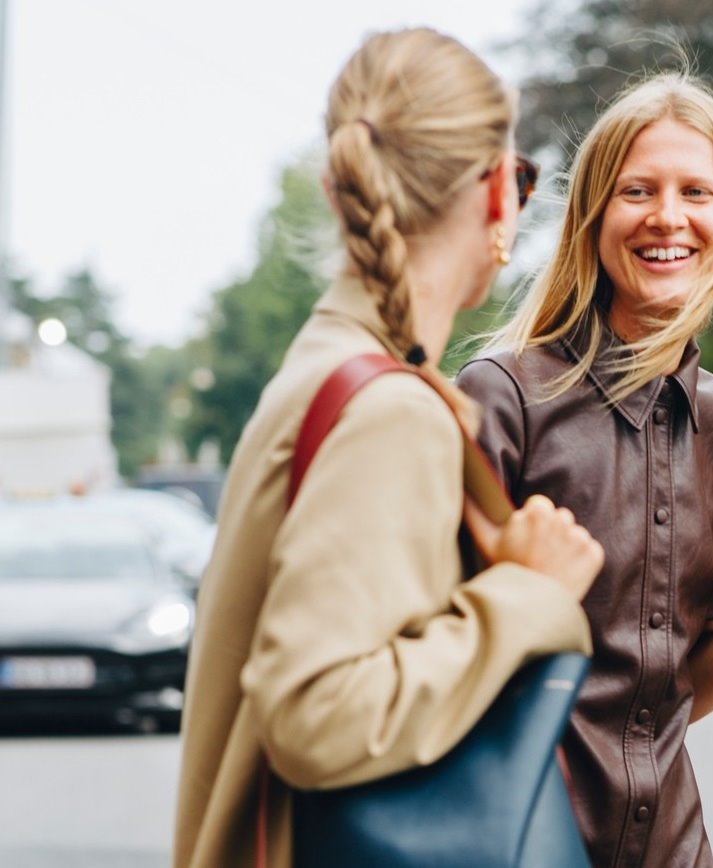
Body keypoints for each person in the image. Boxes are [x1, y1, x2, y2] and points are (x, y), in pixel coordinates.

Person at [172, 29, 604, 868]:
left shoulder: (329, 368)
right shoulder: (387, 412)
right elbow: (318, 709)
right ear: (492, 197)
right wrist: (527, 594)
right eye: (521, 178)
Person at [456, 72, 713, 867]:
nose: (667, 217)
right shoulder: (500, 398)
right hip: (516, 846)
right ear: (590, 216)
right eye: (637, 191)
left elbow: (673, 699)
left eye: (697, 191)